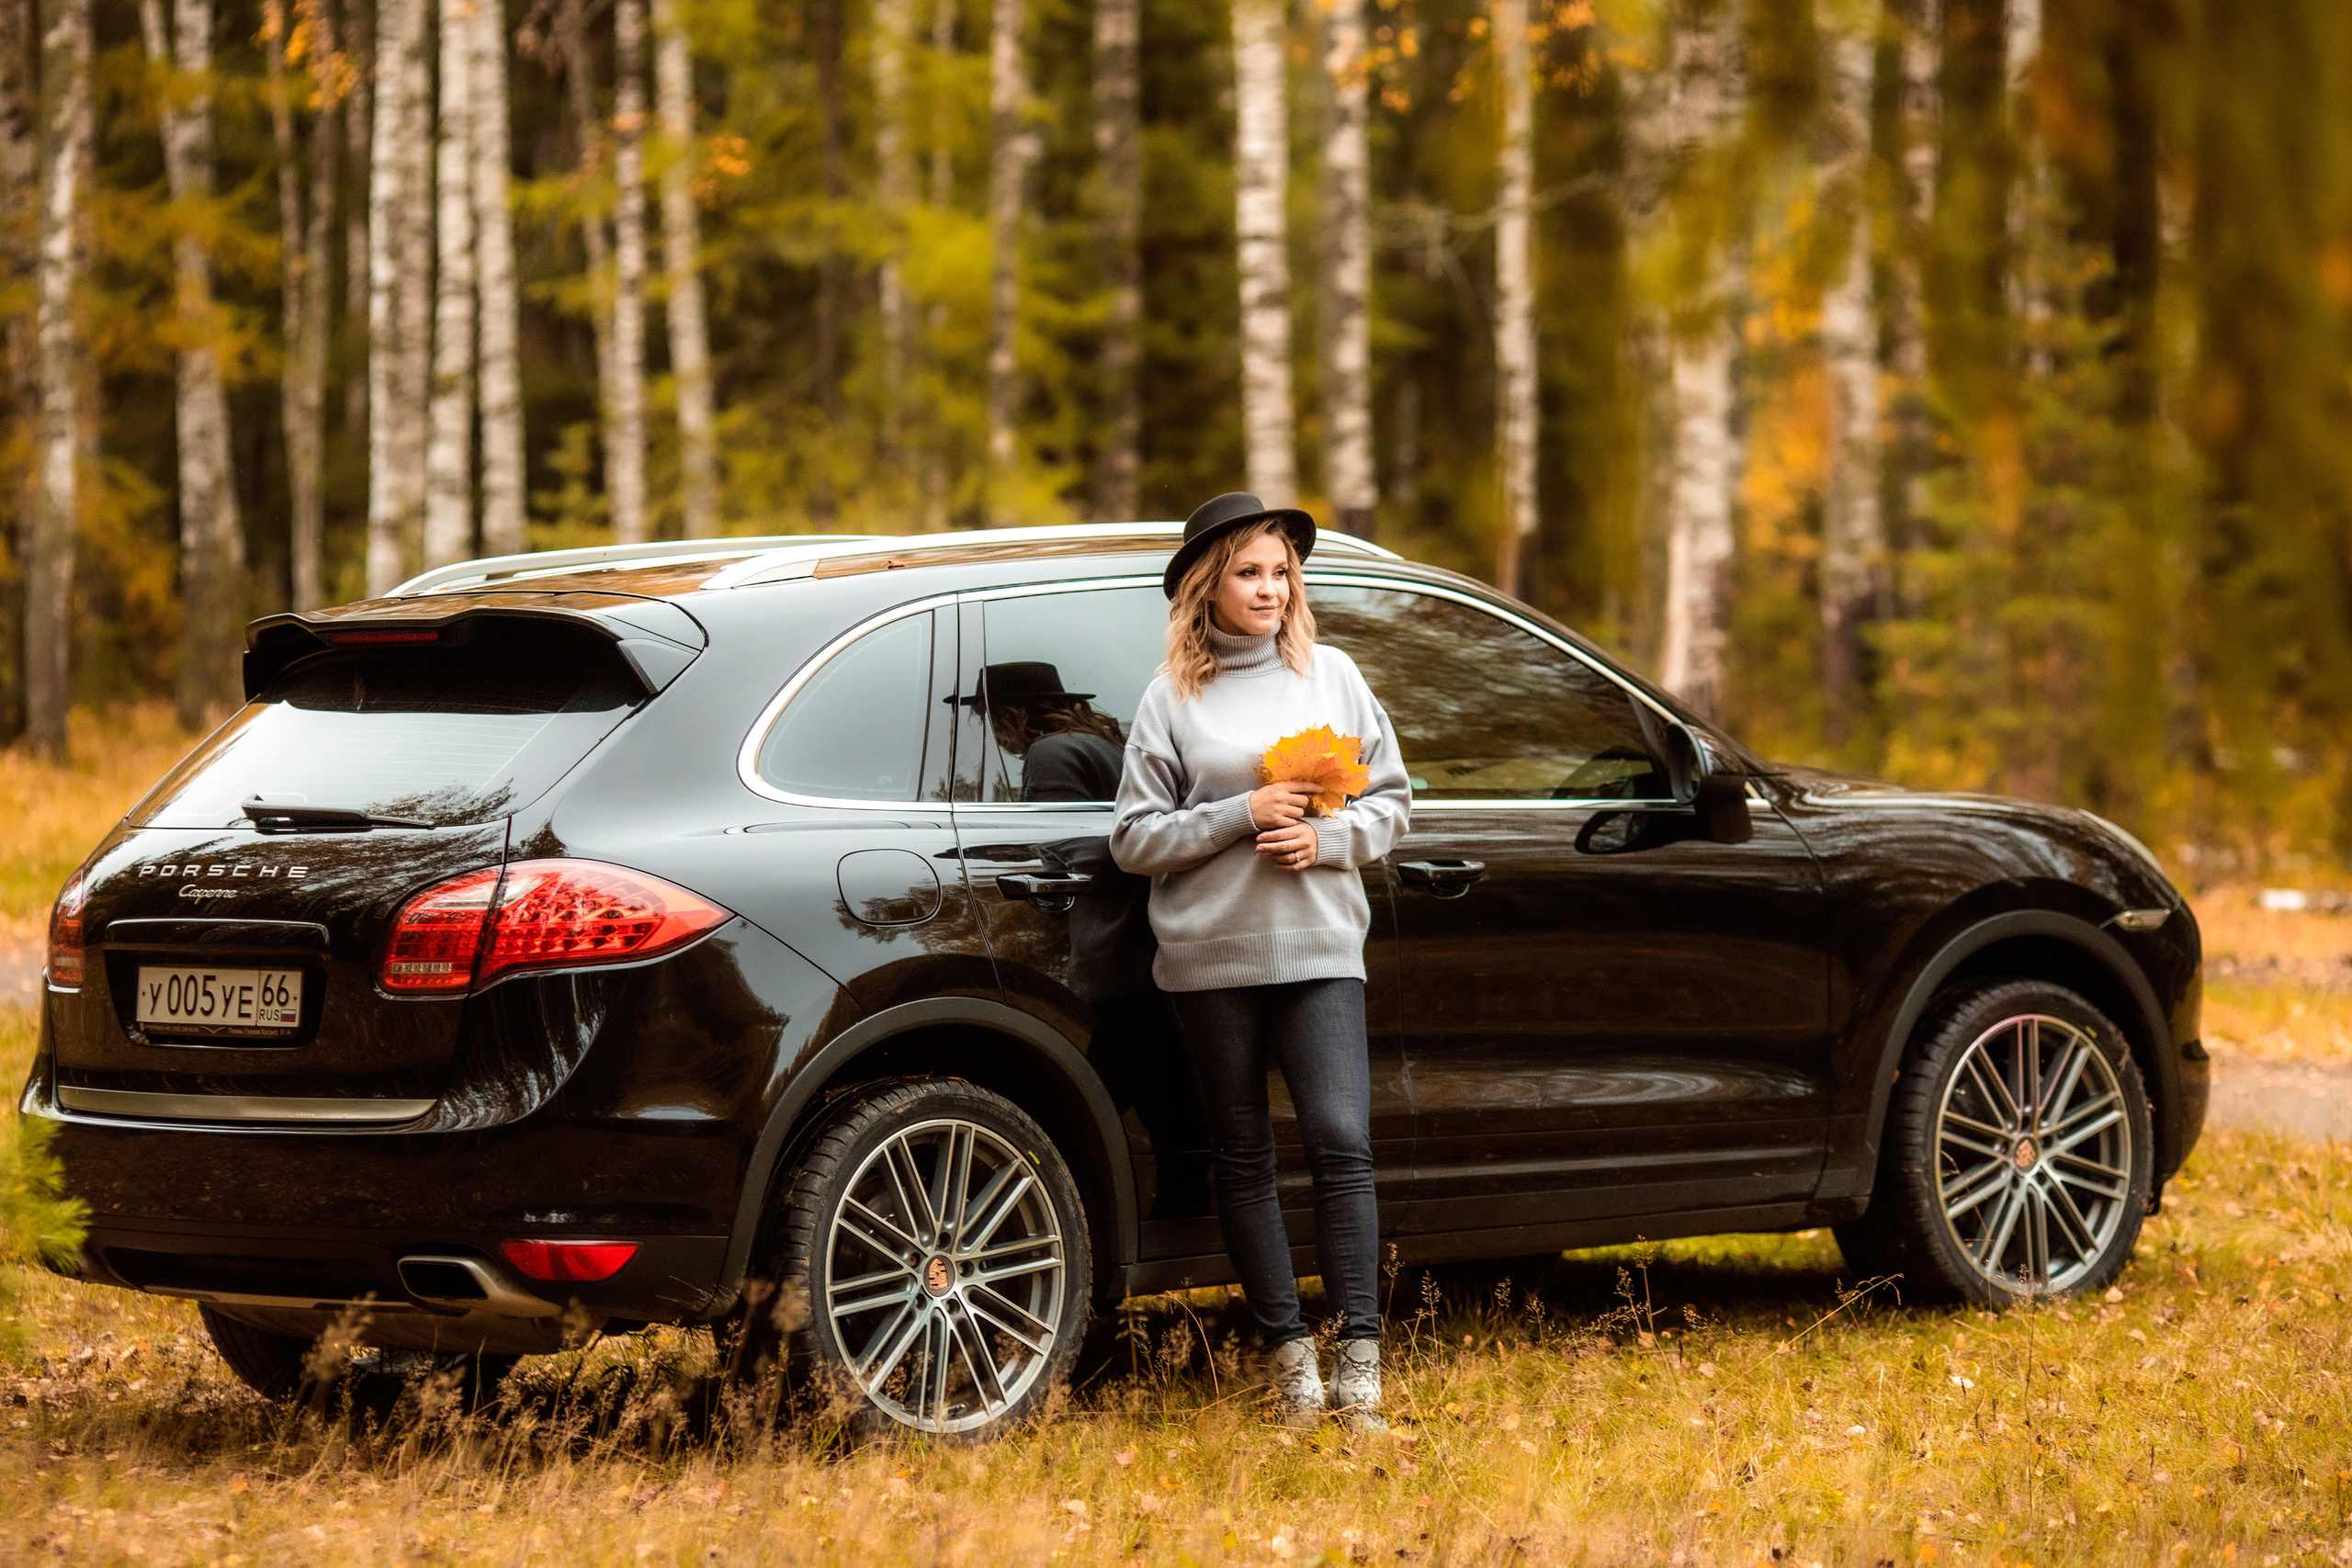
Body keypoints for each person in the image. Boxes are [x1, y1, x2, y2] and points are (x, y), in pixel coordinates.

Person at [1110, 491, 1411, 1431]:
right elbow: (1131, 839)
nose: (1270, 588)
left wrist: (1323, 843)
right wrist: (1241, 814)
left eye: (1282, 571)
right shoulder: (1171, 699)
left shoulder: (1334, 676)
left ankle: (1358, 1360)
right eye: (1249, 571)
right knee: (1240, 1157)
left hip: (1319, 946)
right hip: (1210, 959)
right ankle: (1291, 1364)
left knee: (1340, 1140)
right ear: (1208, 586)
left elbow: (1393, 808)